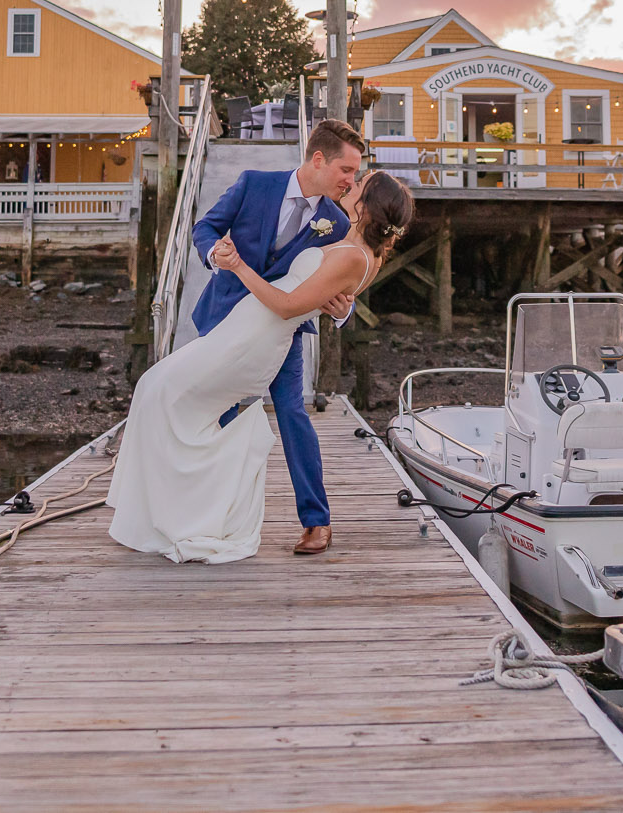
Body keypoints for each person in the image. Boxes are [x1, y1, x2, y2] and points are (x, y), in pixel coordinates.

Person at [107, 123, 412, 563]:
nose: (350, 179)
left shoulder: (343, 220)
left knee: (292, 414)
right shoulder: (255, 184)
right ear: (318, 159)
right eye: (346, 168)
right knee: (210, 413)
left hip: (282, 330)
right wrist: (219, 258)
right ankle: (193, 508)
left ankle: (316, 519)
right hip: (228, 318)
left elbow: (343, 278)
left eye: (356, 174)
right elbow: (206, 229)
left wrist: (341, 309)